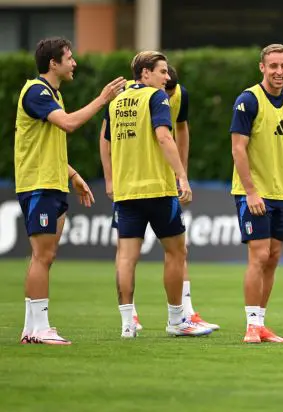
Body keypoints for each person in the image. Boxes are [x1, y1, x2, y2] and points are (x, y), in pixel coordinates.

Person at [16, 37, 126, 345]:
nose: (74, 62)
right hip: (38, 184)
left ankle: (31, 328)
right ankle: (40, 329)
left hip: (53, 182)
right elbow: (68, 124)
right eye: (69, 57)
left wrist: (73, 174)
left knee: (45, 256)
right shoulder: (37, 91)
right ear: (53, 63)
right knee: (42, 255)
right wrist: (102, 98)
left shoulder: (52, 95)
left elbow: (45, 145)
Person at [99, 64, 218, 332]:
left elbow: (104, 138)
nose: (166, 79)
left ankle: (128, 324)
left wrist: (109, 179)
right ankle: (178, 320)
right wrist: (182, 176)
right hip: (158, 189)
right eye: (162, 72)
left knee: (126, 257)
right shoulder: (157, 97)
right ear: (145, 73)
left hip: (127, 190)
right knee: (177, 252)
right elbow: (165, 137)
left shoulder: (117, 98)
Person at [230, 44, 283, 344]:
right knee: (259, 255)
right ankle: (251, 326)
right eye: (273, 66)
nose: (279, 72)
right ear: (262, 68)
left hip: (282, 194)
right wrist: (252, 192)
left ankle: (262, 324)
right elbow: (238, 148)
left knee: (274, 257)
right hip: (253, 193)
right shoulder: (248, 100)